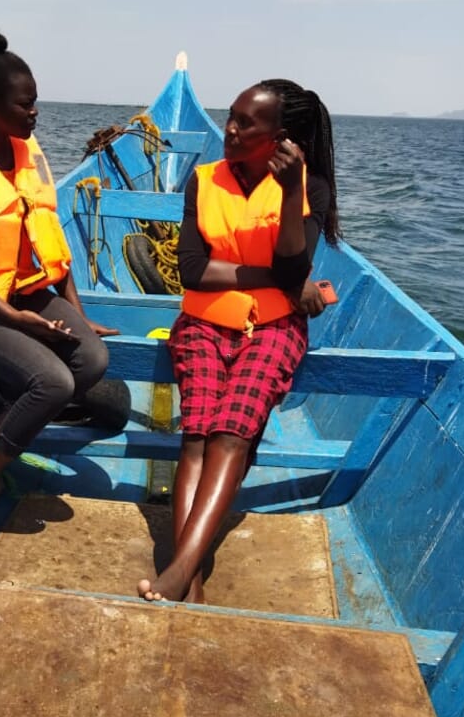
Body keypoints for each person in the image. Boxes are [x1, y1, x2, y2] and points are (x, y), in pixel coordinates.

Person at [138, 79, 339, 603]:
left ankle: (180, 573)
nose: (230, 129)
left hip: (273, 328)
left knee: (232, 435)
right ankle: (192, 580)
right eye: (231, 116)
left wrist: (293, 190)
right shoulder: (203, 180)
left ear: (282, 138)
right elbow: (192, 272)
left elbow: (295, 263)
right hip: (203, 323)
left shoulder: (310, 188)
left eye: (247, 123)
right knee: (198, 435)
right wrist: (279, 280)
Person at [0, 33, 116, 530]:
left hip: (26, 292)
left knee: (91, 359)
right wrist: (15, 320)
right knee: (53, 381)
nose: (35, 114)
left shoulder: (29, 152)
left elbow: (51, 242)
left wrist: (78, 313)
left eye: (35, 104)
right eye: (24, 105)